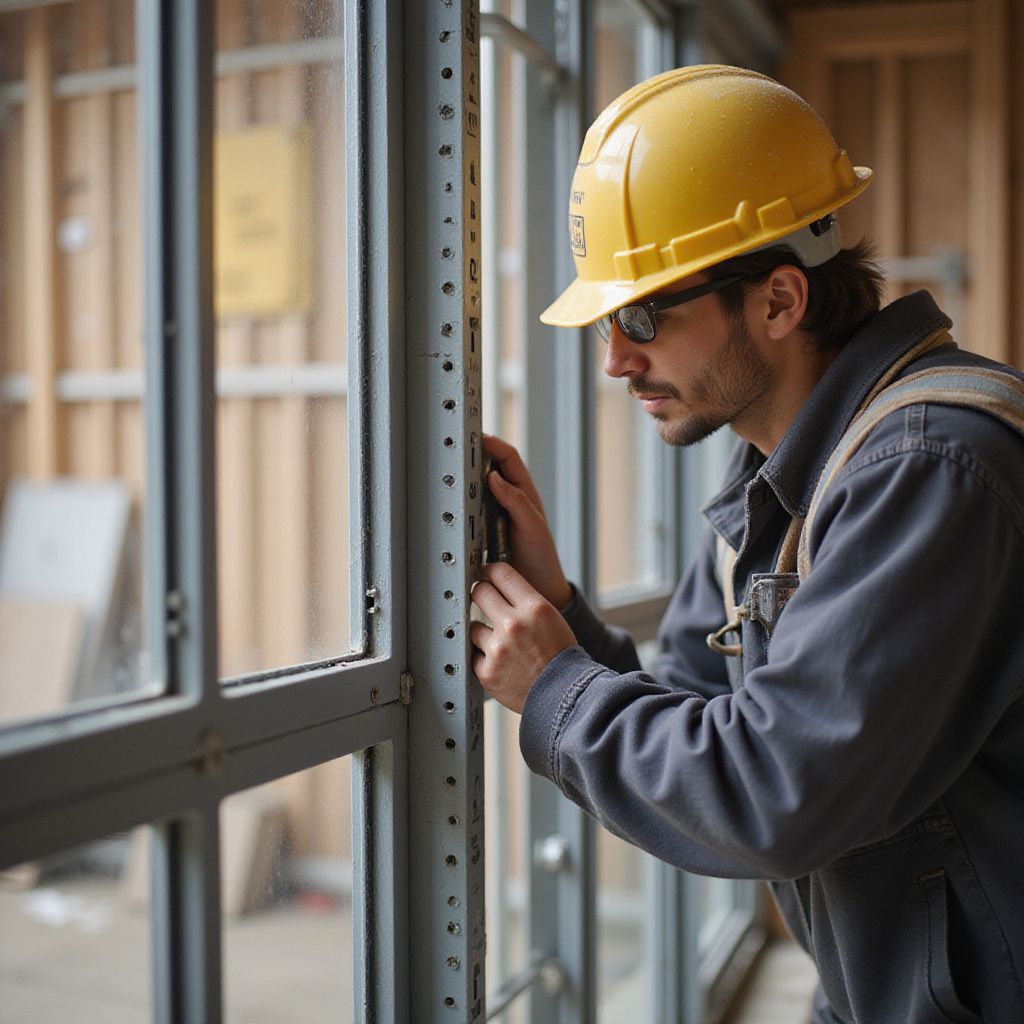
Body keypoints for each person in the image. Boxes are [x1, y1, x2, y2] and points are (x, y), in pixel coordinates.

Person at [469, 65, 1024, 1023]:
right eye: (608, 320)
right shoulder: (790, 471)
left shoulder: (928, 468)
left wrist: (553, 689)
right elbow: (697, 710)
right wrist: (559, 618)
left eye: (643, 317)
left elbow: (774, 793)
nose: (616, 360)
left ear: (777, 302)